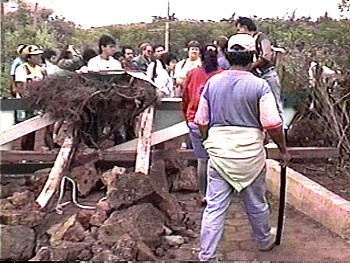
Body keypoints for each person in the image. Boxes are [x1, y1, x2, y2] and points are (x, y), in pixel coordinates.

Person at [194, 33, 291, 261]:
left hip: (219, 154)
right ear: (253, 56)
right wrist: (284, 150)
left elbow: (201, 121)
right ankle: (264, 240)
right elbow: (273, 124)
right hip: (250, 154)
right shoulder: (260, 86)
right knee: (256, 203)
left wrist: (209, 142)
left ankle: (207, 255)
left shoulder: (212, 83)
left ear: (227, 56)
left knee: (214, 207)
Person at [181, 44, 224, 205]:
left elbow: (184, 97)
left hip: (195, 122)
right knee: (218, 158)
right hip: (218, 123)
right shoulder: (223, 75)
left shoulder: (192, 74)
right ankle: (219, 193)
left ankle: (203, 193)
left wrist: (187, 116)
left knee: (202, 160)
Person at [235, 17, 285, 125]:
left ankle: (281, 130)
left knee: (275, 104)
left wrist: (251, 66)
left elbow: (266, 55)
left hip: (267, 74)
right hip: (254, 77)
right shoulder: (245, 42)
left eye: (239, 29)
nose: (239, 33)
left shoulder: (261, 37)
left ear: (245, 27)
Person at [14, 45, 47, 150]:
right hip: (26, 103)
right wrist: (27, 102)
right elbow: (20, 87)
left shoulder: (40, 69)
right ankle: (25, 153)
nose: (38, 58)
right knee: (26, 130)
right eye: (35, 56)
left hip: (36, 101)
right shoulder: (22, 69)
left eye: (39, 55)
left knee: (34, 130)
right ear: (28, 57)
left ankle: (30, 152)